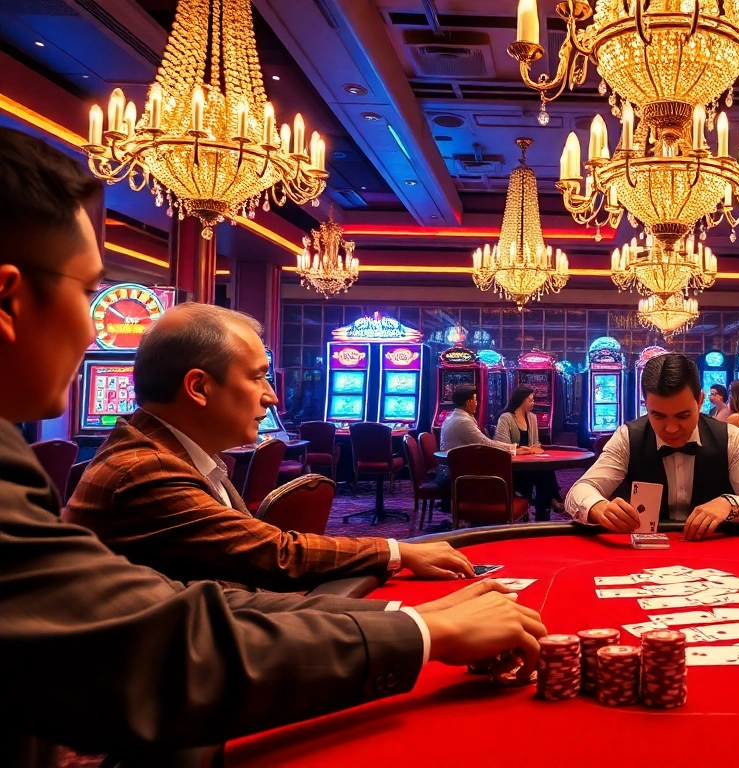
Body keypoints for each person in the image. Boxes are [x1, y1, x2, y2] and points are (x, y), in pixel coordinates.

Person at [0, 127, 545, 766]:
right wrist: (422, 629)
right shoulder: (137, 470)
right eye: (88, 290)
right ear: (9, 299)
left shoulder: (167, 456)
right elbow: (156, 641)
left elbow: (199, 601)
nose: (99, 326)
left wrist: (399, 609)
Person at [64, 303, 475, 592]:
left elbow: (229, 594)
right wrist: (399, 564)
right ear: (198, 387)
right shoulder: (144, 470)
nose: (272, 397)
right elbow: (273, 556)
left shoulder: (178, 457)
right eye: (258, 377)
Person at [564, 353, 739, 541]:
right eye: (658, 415)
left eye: (683, 415)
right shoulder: (628, 436)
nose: (672, 429)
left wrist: (729, 504)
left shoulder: (729, 436)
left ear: (700, 401)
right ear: (645, 404)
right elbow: (579, 490)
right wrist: (599, 508)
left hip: (714, 552)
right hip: (641, 554)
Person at [495, 386, 562, 520]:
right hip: (513, 469)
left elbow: (535, 445)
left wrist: (531, 449)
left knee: (544, 470)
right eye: (531, 400)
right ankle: (550, 504)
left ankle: (544, 510)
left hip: (530, 465)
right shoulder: (506, 418)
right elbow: (502, 447)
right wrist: (527, 450)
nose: (534, 403)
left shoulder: (532, 418)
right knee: (544, 473)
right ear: (521, 401)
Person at [435, 383, 522, 486]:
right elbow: (485, 444)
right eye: (475, 400)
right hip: (455, 476)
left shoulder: (454, 416)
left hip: (456, 469)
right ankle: (508, 499)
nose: (477, 403)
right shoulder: (463, 421)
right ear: (469, 402)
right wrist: (515, 449)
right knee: (507, 474)